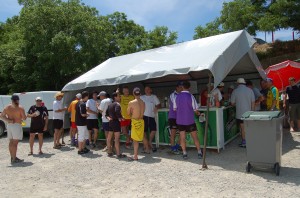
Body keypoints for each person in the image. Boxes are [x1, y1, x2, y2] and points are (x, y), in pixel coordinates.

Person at [174, 81, 202, 159]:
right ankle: (199, 152)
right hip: (189, 120)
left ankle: (184, 153)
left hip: (180, 121)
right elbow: (195, 109)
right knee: (195, 137)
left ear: (182, 87)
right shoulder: (191, 96)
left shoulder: (177, 96)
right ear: (189, 87)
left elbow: (175, 109)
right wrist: (198, 113)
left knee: (182, 137)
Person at [0, 95, 26, 164]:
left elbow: (1, 116)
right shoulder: (20, 107)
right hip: (17, 125)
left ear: (11, 100)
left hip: (9, 125)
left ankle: (12, 157)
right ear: (17, 100)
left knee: (11, 142)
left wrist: (9, 120)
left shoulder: (7, 107)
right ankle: (14, 159)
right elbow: (24, 118)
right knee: (15, 143)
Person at [230, 78, 255, 148]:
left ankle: (244, 142)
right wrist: (252, 112)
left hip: (240, 113)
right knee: (249, 127)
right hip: (249, 113)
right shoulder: (250, 90)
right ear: (244, 83)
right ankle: (251, 141)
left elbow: (232, 103)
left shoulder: (235, 91)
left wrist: (237, 104)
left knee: (242, 128)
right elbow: (253, 102)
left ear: (238, 84)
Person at [140, 86, 161, 153]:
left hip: (151, 116)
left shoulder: (154, 97)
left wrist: (156, 107)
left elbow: (159, 105)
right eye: (145, 89)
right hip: (144, 116)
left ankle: (149, 142)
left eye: (148, 89)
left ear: (151, 90)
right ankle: (146, 145)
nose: (146, 90)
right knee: (144, 131)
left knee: (153, 130)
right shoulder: (141, 97)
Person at [106, 92, 126, 158]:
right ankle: (118, 154)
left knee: (109, 138)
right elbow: (117, 111)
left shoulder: (110, 105)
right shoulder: (117, 104)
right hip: (116, 122)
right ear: (115, 97)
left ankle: (109, 152)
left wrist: (109, 118)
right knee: (117, 139)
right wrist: (121, 118)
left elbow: (106, 114)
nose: (120, 97)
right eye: (119, 96)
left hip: (111, 122)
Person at [127, 87, 145, 161]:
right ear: (140, 93)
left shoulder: (131, 102)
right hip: (141, 121)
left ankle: (135, 156)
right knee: (142, 136)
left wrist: (131, 111)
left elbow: (128, 113)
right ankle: (147, 148)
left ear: (133, 94)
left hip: (135, 121)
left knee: (135, 140)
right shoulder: (143, 102)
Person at [168, 81, 183, 154]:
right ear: (176, 87)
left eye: (182, 87)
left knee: (182, 132)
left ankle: (177, 146)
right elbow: (175, 104)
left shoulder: (183, 94)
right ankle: (173, 147)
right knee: (173, 133)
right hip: (173, 116)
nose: (181, 88)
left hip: (180, 116)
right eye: (180, 87)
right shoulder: (173, 95)